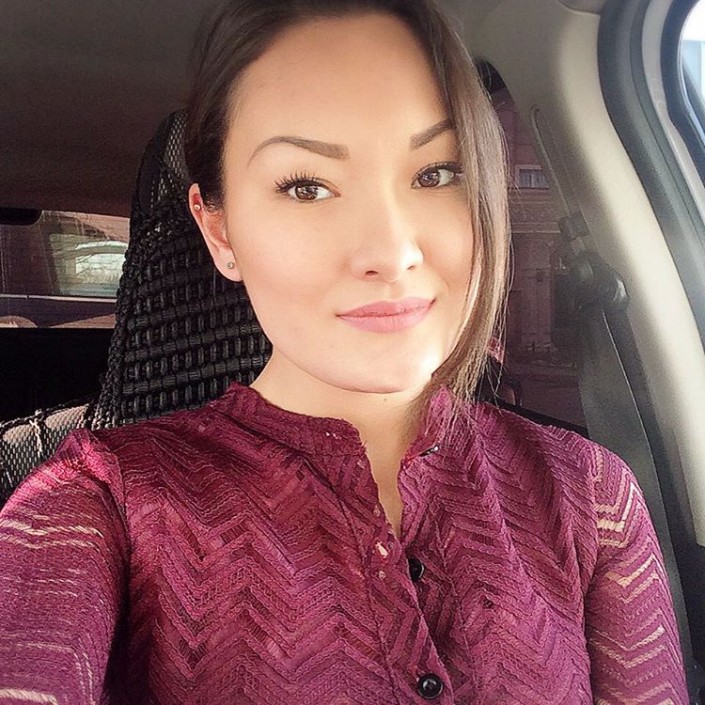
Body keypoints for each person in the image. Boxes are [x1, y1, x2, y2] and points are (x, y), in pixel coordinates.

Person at [0, 0, 690, 703]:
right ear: (220, 233)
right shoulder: (95, 502)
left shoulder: (590, 495)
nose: (391, 252)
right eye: (306, 186)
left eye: (437, 173)